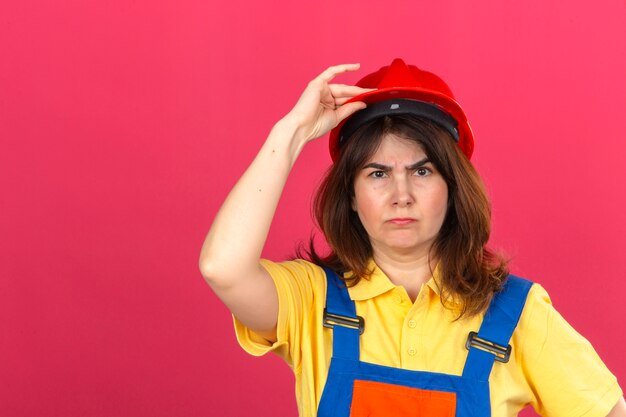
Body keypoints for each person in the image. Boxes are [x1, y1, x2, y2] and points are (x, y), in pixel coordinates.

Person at [199, 59, 625, 416]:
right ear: (350, 194)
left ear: (453, 187)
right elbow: (223, 268)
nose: (400, 196)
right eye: (377, 173)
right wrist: (291, 132)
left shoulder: (517, 313)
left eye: (422, 171)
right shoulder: (311, 301)